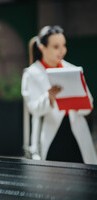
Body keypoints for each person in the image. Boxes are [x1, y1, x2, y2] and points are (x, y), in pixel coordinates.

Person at [22, 25, 97, 164]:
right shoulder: (31, 74)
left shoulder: (73, 70)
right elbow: (33, 108)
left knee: (82, 177)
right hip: (50, 134)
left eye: (64, 45)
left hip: (76, 132)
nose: (62, 50)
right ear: (42, 47)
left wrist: (77, 101)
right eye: (56, 46)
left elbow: (89, 105)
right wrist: (49, 98)